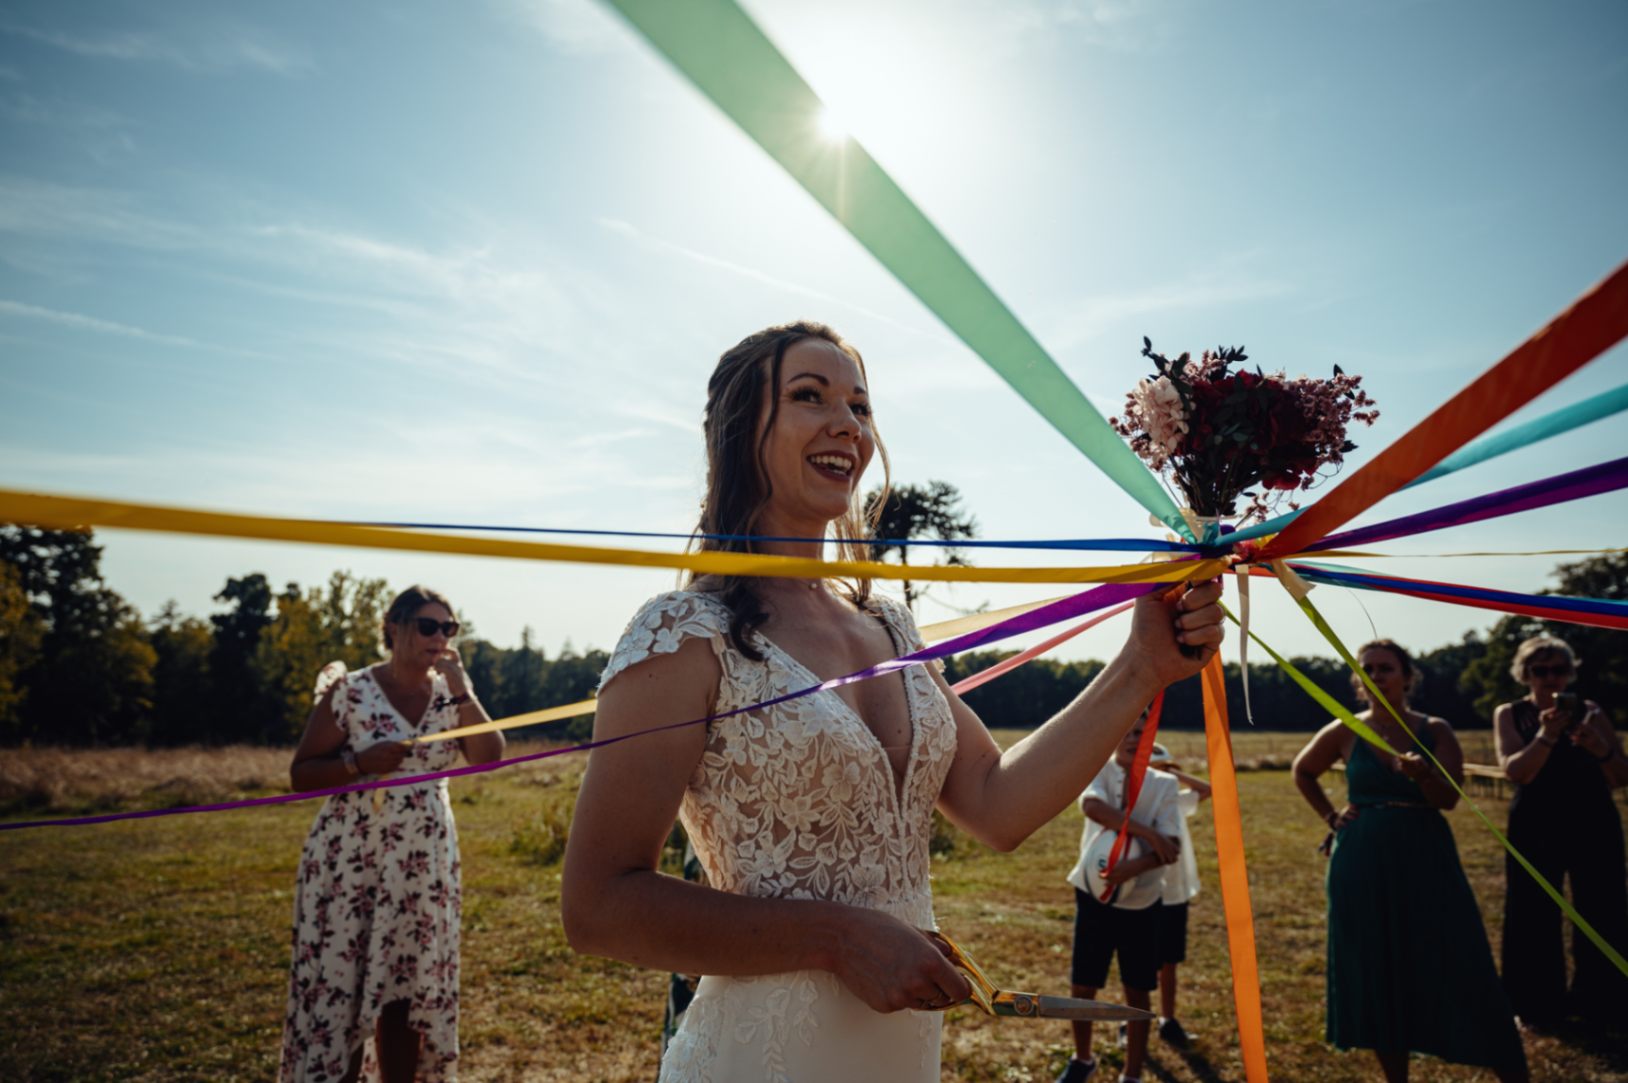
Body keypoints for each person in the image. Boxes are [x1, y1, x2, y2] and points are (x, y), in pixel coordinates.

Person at [560, 320, 1225, 1082]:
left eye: (861, 405)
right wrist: (837, 938)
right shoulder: (683, 635)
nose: (847, 422)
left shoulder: (889, 626)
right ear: (743, 428)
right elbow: (598, 904)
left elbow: (997, 800)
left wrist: (1141, 666)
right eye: (810, 396)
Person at [280, 586, 506, 1082]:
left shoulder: (452, 692)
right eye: (428, 626)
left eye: (449, 628)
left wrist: (464, 688)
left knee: (407, 985)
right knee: (344, 986)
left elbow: (489, 754)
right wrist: (360, 762)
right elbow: (301, 773)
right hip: (351, 855)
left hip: (423, 861)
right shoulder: (352, 690)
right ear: (395, 628)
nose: (439, 637)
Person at [1291, 639, 1527, 1083]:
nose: (1376, 676)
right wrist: (1331, 815)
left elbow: (1449, 800)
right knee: (1377, 966)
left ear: (1407, 676)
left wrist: (1425, 776)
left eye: (1386, 668)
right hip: (1361, 863)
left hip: (1425, 855)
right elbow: (1302, 770)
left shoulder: (1435, 729)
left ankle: (1508, 1068)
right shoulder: (1345, 729)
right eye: (1368, 669)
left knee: (1460, 959)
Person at [1494, 634, 1628, 1028]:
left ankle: (1604, 999)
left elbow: (1620, 776)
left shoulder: (1590, 712)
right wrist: (1547, 736)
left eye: (1558, 670)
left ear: (1571, 673)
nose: (1550, 678)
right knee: (1531, 910)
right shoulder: (1510, 713)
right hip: (1535, 822)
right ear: (1525, 674)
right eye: (1540, 670)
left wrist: (1600, 747)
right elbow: (1516, 771)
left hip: (1593, 819)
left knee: (1603, 906)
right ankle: (1537, 1003)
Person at [1057, 714, 1181, 1083]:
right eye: (1124, 730)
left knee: (1137, 991)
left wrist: (1135, 866)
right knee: (1083, 985)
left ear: (1151, 738)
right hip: (1093, 897)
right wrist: (1146, 833)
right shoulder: (1101, 770)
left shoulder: (1164, 786)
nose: (1132, 738)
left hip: (1141, 904)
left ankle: (1132, 1074)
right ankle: (1082, 1059)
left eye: (1140, 732)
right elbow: (1091, 808)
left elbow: (1171, 847)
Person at [1147, 744, 1210, 1048]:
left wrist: (1175, 774)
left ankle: (1168, 1019)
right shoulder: (1140, 802)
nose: (1160, 777)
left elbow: (1208, 789)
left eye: (1163, 770)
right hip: (1143, 893)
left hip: (1174, 894)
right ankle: (1134, 1020)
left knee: (1169, 961)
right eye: (1153, 771)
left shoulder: (1176, 800)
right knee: (1139, 963)